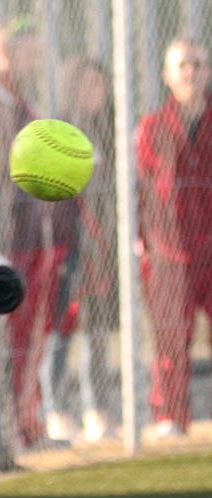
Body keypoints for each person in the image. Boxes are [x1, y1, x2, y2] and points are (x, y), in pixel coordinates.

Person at [0, 18, 78, 451]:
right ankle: (6, 430)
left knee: (32, 336)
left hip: (37, 237)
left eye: (37, 52)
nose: (34, 60)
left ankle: (27, 424)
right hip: (5, 239)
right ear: (2, 51)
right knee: (7, 336)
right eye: (25, 50)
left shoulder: (28, 102)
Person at [38, 56, 118, 443]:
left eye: (99, 85)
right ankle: (55, 409)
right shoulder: (59, 133)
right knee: (62, 328)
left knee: (98, 331)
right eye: (86, 84)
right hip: (67, 246)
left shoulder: (109, 130)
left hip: (102, 246)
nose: (94, 92)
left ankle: (97, 409)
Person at [136, 37, 212, 440]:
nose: (191, 72)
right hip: (168, 252)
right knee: (169, 340)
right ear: (167, 74)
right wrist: (143, 241)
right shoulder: (152, 128)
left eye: (198, 64)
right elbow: (141, 190)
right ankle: (171, 417)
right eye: (182, 65)